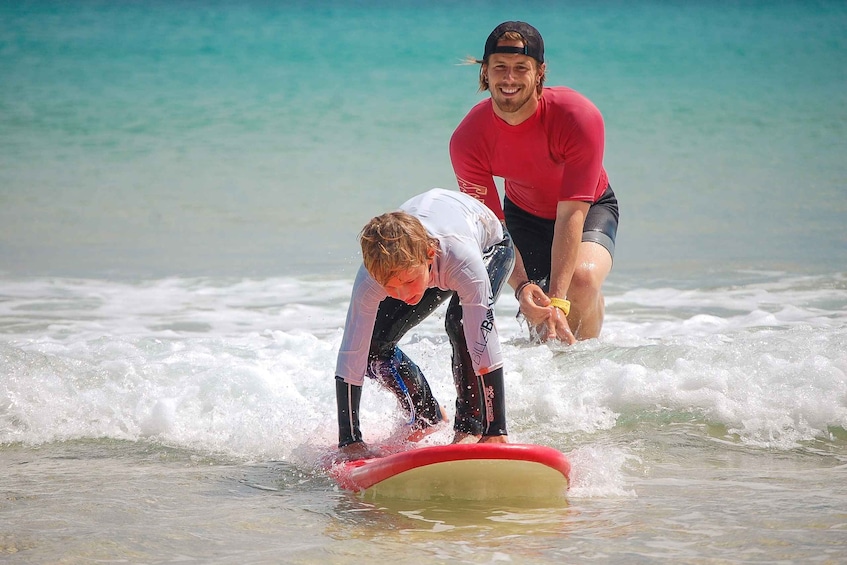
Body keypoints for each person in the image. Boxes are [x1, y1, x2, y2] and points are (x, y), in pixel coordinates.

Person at [450, 21, 619, 345]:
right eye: (500, 67)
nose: (509, 78)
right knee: (539, 317)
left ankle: (588, 370)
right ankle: (546, 389)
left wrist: (559, 298)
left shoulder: (578, 116)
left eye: (520, 68)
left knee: (580, 282)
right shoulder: (468, 139)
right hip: (523, 217)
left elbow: (572, 213)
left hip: (589, 208)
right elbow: (490, 227)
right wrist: (524, 287)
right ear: (485, 72)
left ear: (540, 72)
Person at [334, 188, 516, 461]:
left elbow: (483, 337)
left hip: (489, 245)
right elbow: (352, 352)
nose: (404, 295)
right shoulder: (373, 275)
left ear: (430, 254)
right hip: (422, 261)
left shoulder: (461, 258)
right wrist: (349, 440)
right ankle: (425, 414)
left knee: (461, 322)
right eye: (390, 288)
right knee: (372, 346)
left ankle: (471, 427)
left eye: (407, 283)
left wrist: (496, 429)